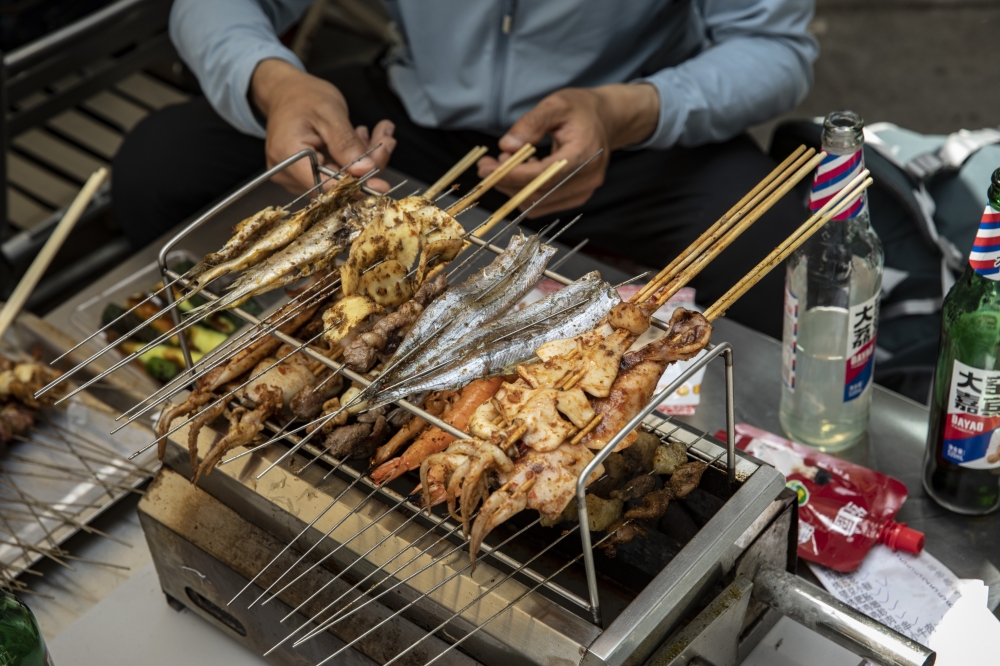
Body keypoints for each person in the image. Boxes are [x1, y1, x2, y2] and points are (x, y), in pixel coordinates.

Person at [113, 0, 818, 338]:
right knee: (162, 163)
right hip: (415, 125)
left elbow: (774, 49)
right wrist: (276, 84)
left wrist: (622, 111)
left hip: (632, 128)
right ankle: (280, 345)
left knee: (800, 276)